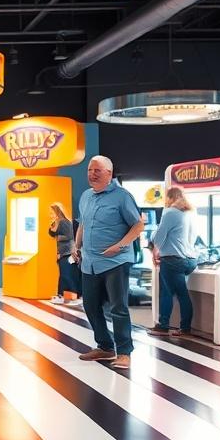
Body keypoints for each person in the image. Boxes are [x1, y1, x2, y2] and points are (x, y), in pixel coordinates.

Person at [72, 155, 144, 370]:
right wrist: (76, 246)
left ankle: (124, 352)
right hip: (90, 261)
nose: (92, 174)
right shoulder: (86, 196)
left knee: (118, 307)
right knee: (90, 304)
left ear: (109, 173)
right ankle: (104, 346)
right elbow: (83, 223)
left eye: (97, 170)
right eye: (89, 170)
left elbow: (138, 225)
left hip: (115, 261)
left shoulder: (122, 197)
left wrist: (120, 246)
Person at [147, 187, 198, 337]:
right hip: (190, 260)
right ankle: (185, 328)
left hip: (173, 260)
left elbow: (158, 239)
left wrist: (154, 234)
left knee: (167, 293)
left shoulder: (170, 212)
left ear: (169, 198)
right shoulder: (190, 213)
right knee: (182, 293)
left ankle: (164, 326)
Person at [48, 202, 79, 303]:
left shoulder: (64, 222)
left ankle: (74, 297)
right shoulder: (57, 222)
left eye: (52, 212)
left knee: (67, 276)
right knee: (64, 276)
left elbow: (70, 236)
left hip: (68, 253)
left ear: (57, 211)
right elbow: (52, 233)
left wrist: (58, 237)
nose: (50, 214)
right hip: (62, 253)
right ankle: (62, 296)